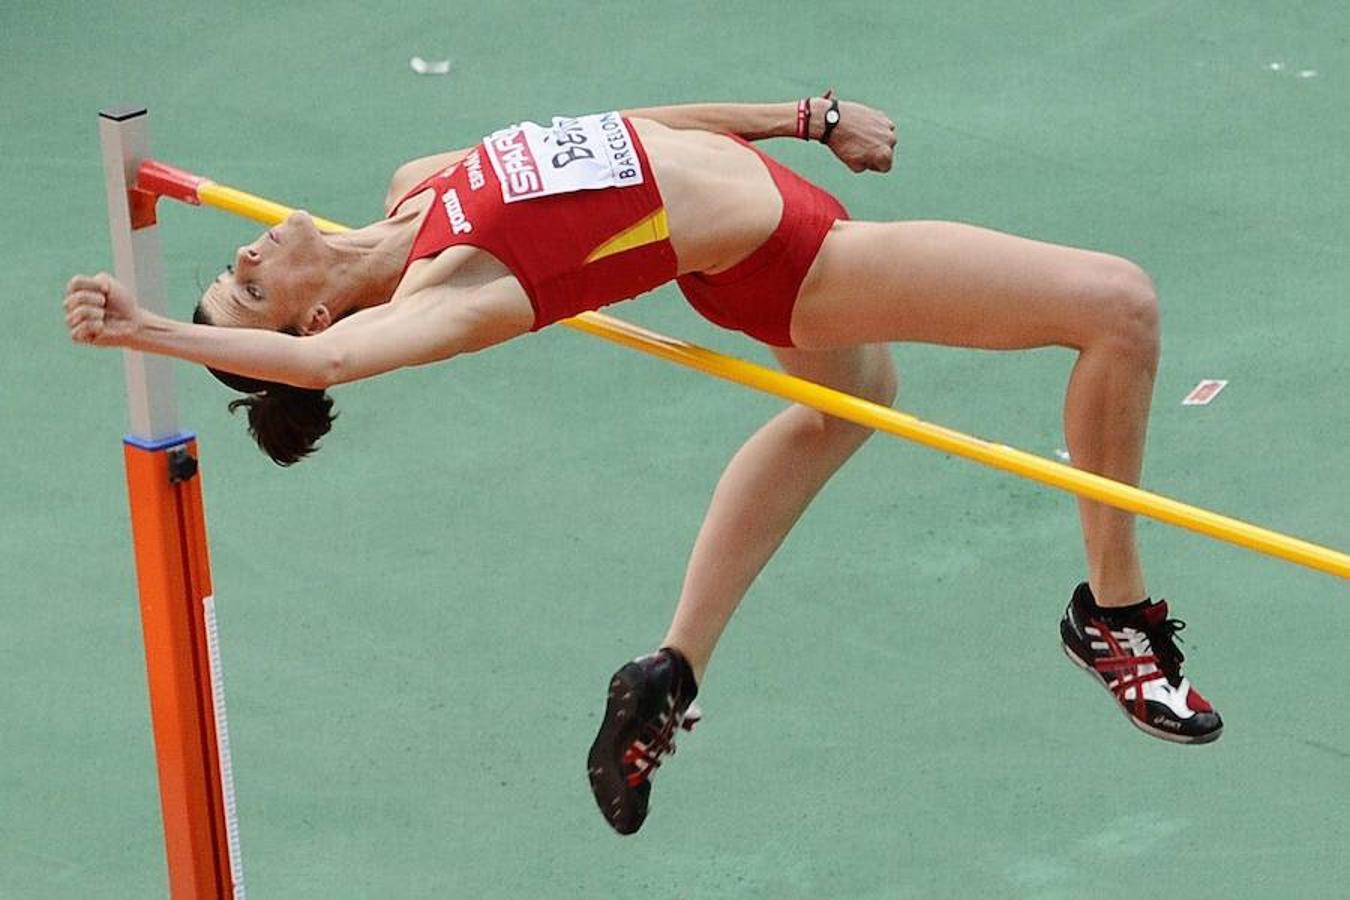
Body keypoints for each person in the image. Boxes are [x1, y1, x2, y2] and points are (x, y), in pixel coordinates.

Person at [63, 95, 1221, 836]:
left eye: (239, 265)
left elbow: (630, 128)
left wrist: (800, 117)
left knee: (853, 407)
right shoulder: (451, 293)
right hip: (798, 259)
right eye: (258, 286)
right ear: (305, 328)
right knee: (1117, 307)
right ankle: (1111, 613)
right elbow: (341, 365)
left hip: (769, 197)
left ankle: (669, 669)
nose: (256, 249)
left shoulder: (418, 182)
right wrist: (148, 330)